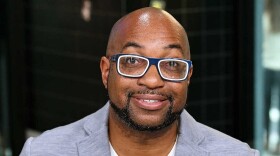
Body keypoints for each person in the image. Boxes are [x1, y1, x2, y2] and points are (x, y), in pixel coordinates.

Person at [20, 7, 259, 156]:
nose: (153, 80)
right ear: (106, 71)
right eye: (132, 61)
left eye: (172, 64)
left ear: (188, 77)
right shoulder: (42, 151)